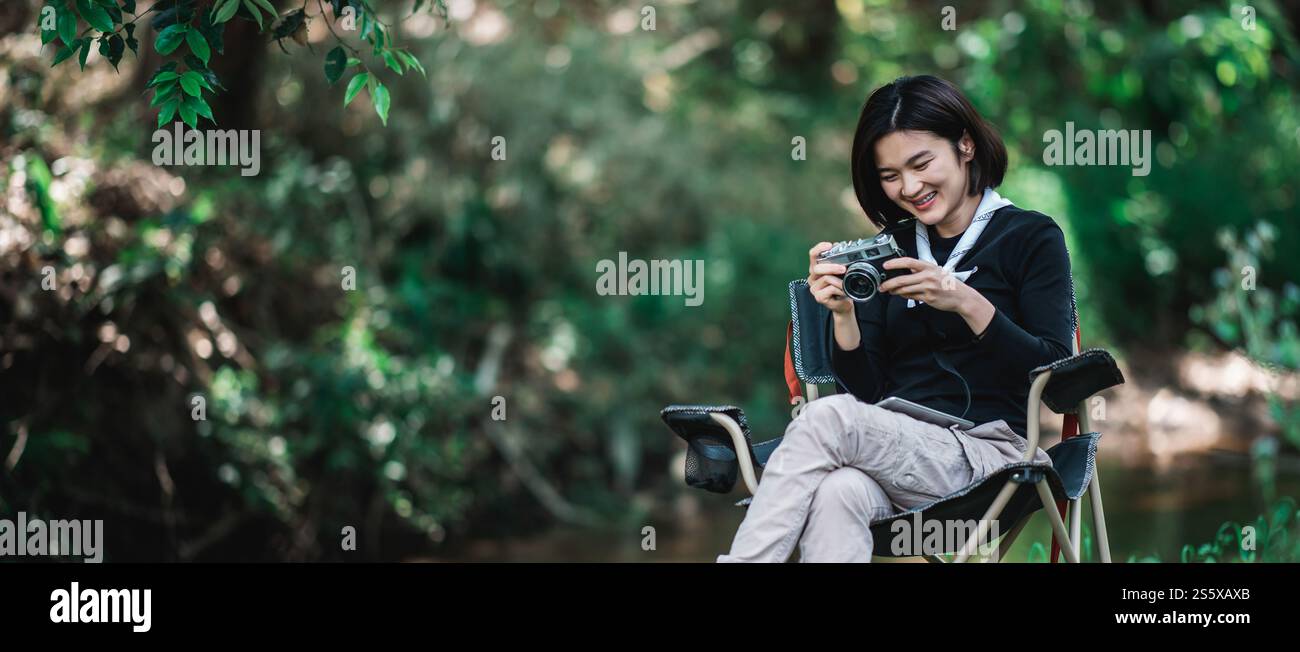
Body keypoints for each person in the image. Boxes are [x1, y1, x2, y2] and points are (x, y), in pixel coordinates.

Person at [718, 75, 1074, 563]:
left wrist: (964, 300)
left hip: (991, 462)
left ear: (965, 145)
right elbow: (868, 393)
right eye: (889, 175)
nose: (909, 187)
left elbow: (1055, 377)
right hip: (893, 453)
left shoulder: (1030, 236)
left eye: (921, 163)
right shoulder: (893, 249)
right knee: (837, 490)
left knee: (829, 417)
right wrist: (843, 316)